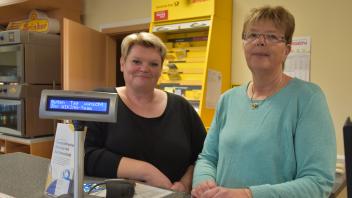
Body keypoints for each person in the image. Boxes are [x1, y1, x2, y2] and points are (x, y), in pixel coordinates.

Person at [192, 5, 336, 198]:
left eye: (271, 36)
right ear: (243, 44)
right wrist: (204, 182)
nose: (260, 42)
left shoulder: (307, 99)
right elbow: (208, 157)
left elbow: (317, 182)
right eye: (252, 35)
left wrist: (247, 195)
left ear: (287, 50)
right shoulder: (228, 99)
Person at [84, 32, 206, 192]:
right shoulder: (102, 100)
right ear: (122, 63)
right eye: (136, 61)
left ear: (161, 69)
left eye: (153, 64)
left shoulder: (181, 107)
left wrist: (184, 184)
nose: (144, 69)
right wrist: (146, 171)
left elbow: (204, 156)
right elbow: (85, 154)